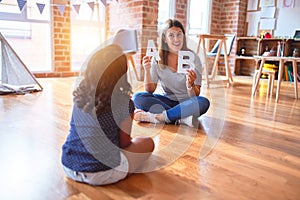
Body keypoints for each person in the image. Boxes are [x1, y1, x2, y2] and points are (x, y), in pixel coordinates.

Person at [61, 44, 154, 186]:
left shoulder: (80, 96)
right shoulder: (124, 103)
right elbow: (124, 143)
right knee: (147, 143)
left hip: (69, 165)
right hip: (100, 173)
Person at [133, 19, 210, 128]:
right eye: (171, 35)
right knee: (138, 97)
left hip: (187, 103)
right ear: (164, 38)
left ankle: (159, 118)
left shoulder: (193, 58)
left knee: (203, 102)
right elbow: (150, 90)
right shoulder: (158, 59)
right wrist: (147, 70)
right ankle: (179, 117)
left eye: (179, 35)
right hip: (167, 101)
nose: (176, 39)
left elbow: (195, 95)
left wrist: (190, 85)